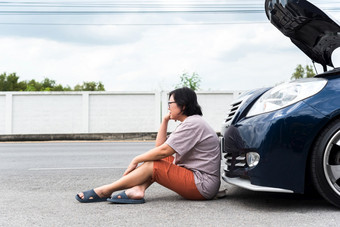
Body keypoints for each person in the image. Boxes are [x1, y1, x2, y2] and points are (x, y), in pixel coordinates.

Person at [75, 87, 221, 204]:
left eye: (170, 103)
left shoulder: (193, 124)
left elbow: (162, 151)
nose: (168, 107)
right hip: (198, 179)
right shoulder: (192, 122)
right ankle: (138, 189)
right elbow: (159, 148)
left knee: (154, 164)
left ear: (182, 106)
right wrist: (165, 121)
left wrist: (136, 159)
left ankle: (105, 190)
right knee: (156, 160)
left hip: (202, 185)